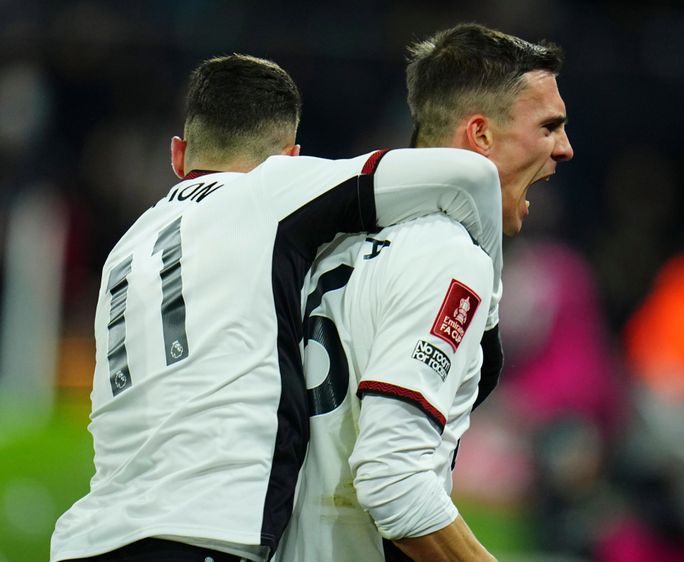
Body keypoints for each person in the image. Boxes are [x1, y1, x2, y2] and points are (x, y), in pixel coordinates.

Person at [50, 54, 507, 562]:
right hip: (198, 534)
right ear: (292, 157)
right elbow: (470, 176)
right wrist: (486, 311)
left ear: (178, 157)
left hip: (89, 538)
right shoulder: (271, 189)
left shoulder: (126, 247)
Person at [275, 23, 573, 561]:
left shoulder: (329, 248)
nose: (565, 149)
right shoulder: (448, 256)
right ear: (480, 135)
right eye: (549, 127)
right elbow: (392, 481)